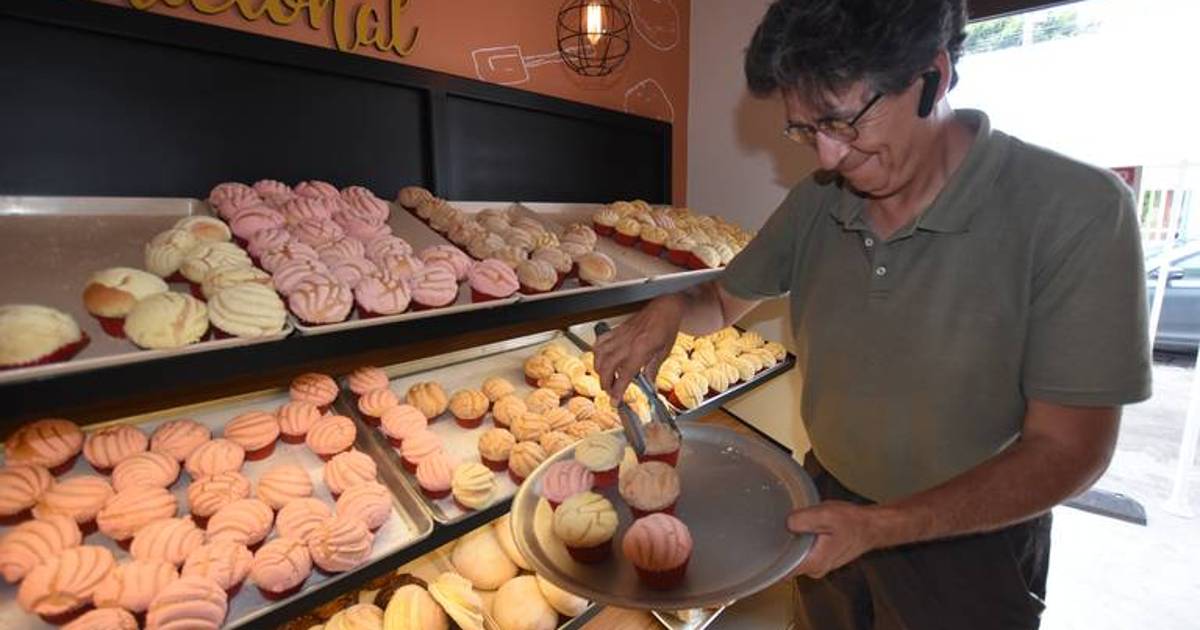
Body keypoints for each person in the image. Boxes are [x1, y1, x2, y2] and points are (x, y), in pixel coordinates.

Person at [592, 1, 1152, 628]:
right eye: (805, 130)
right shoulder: (817, 202)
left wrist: (884, 526)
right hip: (827, 501)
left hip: (970, 540)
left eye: (842, 122)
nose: (828, 157)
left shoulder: (1076, 210)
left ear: (933, 76)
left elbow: (1071, 449)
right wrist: (672, 307)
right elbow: (721, 302)